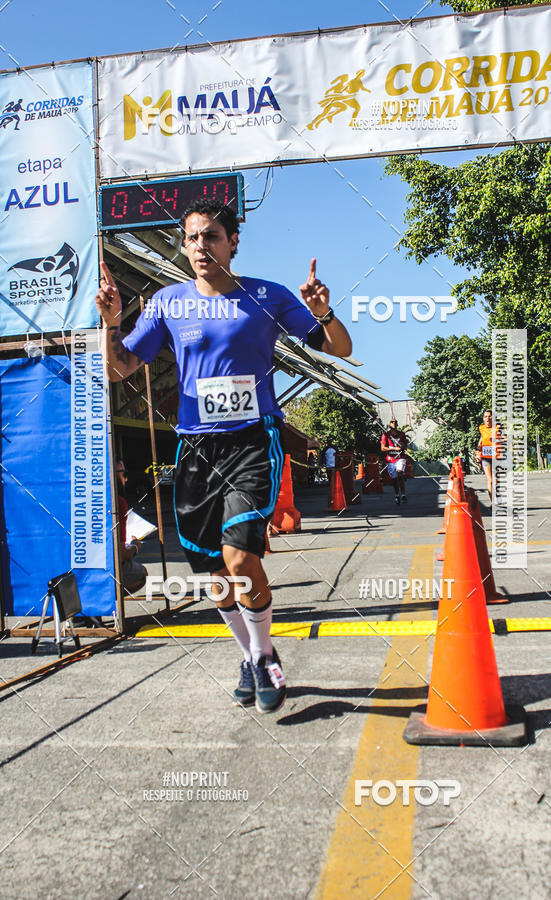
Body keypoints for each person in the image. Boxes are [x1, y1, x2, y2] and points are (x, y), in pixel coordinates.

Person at [96, 199, 352, 713]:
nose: (200, 247)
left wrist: (325, 314)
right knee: (215, 580)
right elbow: (119, 368)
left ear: (233, 242)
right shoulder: (169, 302)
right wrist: (112, 323)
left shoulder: (267, 296)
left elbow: (339, 348)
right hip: (194, 449)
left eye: (211, 236)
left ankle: (265, 659)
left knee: (240, 559)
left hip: (253, 440)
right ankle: (255, 655)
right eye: (191, 238)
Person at [116, 460, 148, 595]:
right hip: (104, 571)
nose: (126, 478)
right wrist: (135, 546)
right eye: (123, 474)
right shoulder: (118, 502)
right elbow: (121, 555)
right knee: (141, 573)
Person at [476, 409, 502, 502]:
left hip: (496, 458)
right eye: (485, 417)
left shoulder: (498, 428)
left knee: (496, 481)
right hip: (486, 458)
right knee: (490, 480)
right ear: (483, 418)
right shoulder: (481, 428)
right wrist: (478, 450)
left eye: (489, 416)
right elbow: (482, 439)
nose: (487, 419)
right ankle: (492, 503)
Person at [381, 419, 409, 504]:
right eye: (392, 422)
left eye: (395, 422)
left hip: (400, 457)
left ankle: (403, 495)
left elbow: (405, 446)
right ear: (389, 424)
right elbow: (382, 448)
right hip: (391, 459)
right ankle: (397, 495)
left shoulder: (402, 434)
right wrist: (393, 448)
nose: (394, 423)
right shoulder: (385, 435)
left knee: (399, 473)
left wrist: (402, 446)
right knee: (394, 478)